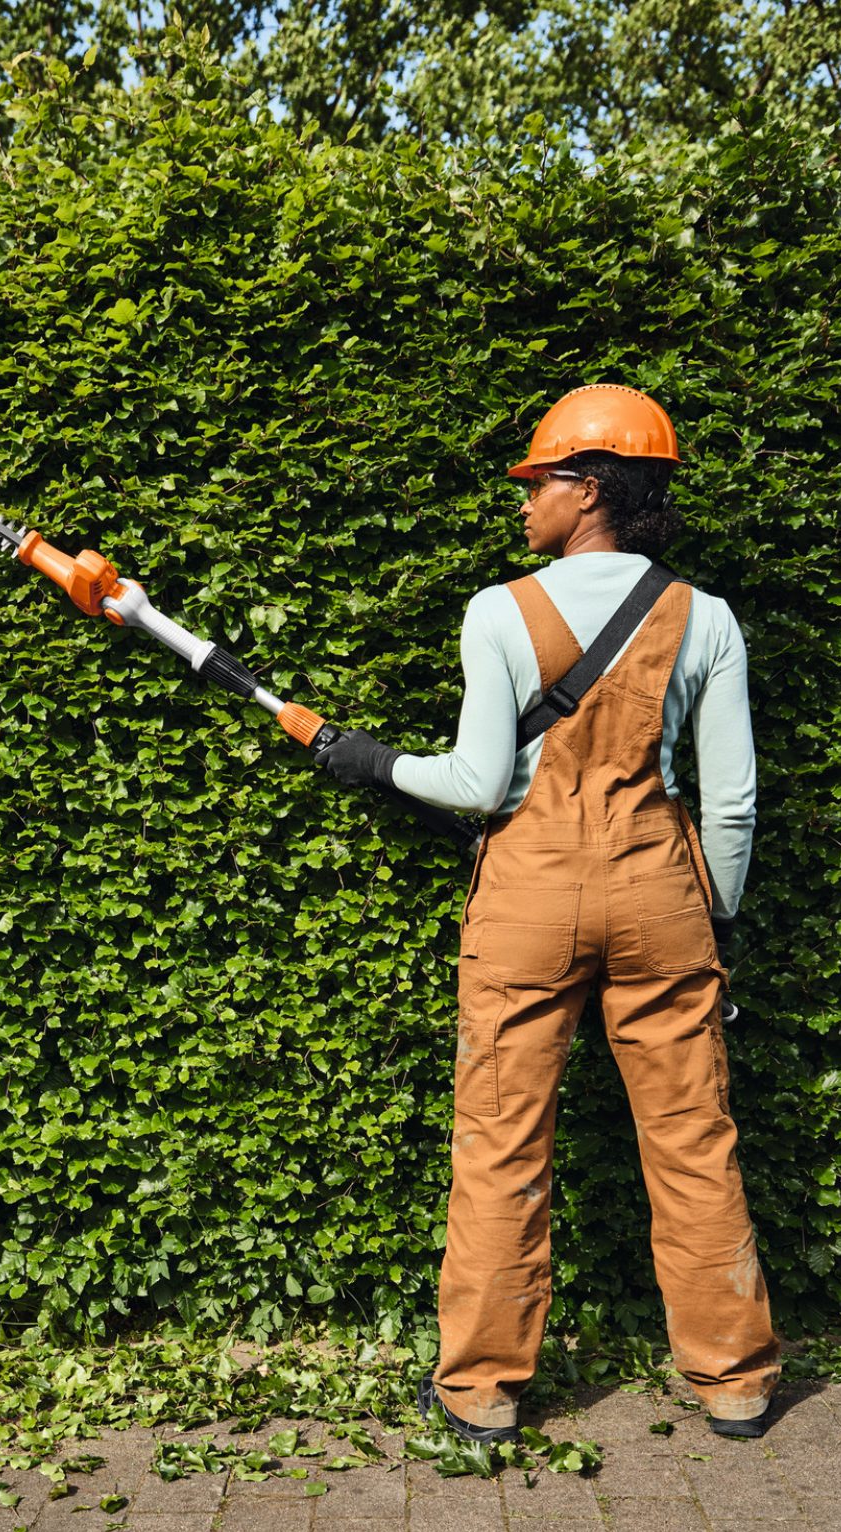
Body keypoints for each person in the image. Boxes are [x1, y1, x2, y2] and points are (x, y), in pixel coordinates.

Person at [318, 383, 781, 1443]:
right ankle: (736, 1380)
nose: (523, 500)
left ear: (590, 489)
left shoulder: (500, 611)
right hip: (660, 892)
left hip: (528, 894)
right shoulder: (705, 618)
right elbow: (732, 802)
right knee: (692, 1135)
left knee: (501, 1139)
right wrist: (712, 916)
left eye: (538, 482)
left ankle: (482, 1390)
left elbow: (479, 783)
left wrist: (374, 763)